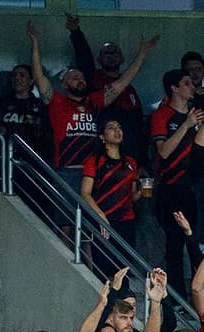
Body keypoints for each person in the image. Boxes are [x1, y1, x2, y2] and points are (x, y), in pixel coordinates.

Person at [25, 21, 156, 190]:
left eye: (81, 77)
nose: (80, 80)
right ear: (64, 84)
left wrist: (142, 53)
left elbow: (122, 82)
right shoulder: (57, 102)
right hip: (67, 172)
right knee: (67, 216)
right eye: (74, 77)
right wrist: (35, 43)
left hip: (93, 173)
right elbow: (38, 76)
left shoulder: (93, 102)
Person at [66, 12, 146, 164]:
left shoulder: (130, 90)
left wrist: (142, 162)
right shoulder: (92, 79)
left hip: (129, 154)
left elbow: (138, 128)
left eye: (114, 52)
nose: (111, 56)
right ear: (99, 59)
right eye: (106, 53)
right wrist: (76, 32)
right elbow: (84, 57)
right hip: (102, 151)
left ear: (122, 58)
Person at [150, 69, 204, 296]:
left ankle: (198, 294)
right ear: (174, 88)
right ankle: (177, 297)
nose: (192, 87)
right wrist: (186, 124)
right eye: (187, 83)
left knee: (196, 242)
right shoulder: (162, 115)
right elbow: (163, 152)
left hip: (196, 187)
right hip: (171, 187)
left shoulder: (198, 114)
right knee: (174, 244)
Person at [80, 119, 140, 274]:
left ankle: (124, 299)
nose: (117, 131)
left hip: (126, 220)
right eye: (111, 128)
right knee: (103, 268)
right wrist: (100, 216)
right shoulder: (94, 161)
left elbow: (131, 196)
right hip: (103, 221)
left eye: (119, 127)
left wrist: (141, 193)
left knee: (123, 269)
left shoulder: (131, 162)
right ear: (102, 136)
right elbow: (85, 193)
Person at [0, 63, 53, 161]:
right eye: (14, 75)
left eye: (22, 75)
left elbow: (47, 134)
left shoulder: (40, 105)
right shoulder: (2, 103)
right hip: (6, 159)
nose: (17, 78)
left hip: (33, 160)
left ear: (31, 81)